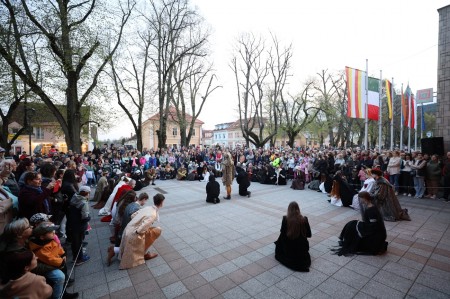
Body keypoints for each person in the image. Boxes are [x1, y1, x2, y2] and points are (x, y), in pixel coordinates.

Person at [28, 221, 79, 299]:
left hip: (58, 262)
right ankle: (57, 297)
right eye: (50, 232)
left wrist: (63, 254)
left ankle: (64, 293)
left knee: (64, 276)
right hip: (51, 266)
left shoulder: (49, 240)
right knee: (60, 277)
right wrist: (61, 262)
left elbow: (58, 248)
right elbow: (49, 259)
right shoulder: (40, 248)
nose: (53, 233)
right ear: (42, 237)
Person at [119, 193, 165, 270]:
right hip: (133, 233)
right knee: (157, 231)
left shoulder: (148, 207)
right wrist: (138, 233)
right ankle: (144, 253)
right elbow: (141, 229)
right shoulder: (153, 214)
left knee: (150, 232)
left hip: (128, 229)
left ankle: (144, 252)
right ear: (161, 202)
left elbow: (133, 215)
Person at [333, 191, 387, 256]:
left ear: (364, 198)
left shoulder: (371, 210)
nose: (359, 200)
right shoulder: (370, 206)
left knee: (352, 225)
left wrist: (360, 225)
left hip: (375, 234)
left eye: (360, 199)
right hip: (373, 228)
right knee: (352, 224)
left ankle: (348, 241)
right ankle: (347, 240)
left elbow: (374, 226)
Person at [107, 192, 149, 266]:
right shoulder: (137, 208)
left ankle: (114, 249)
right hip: (128, 231)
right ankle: (113, 250)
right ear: (144, 199)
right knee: (132, 246)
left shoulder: (130, 204)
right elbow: (136, 222)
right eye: (146, 201)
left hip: (123, 229)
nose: (145, 203)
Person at [274, 201, 311, 272]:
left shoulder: (285, 219)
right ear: (298, 209)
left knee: (279, 247)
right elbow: (309, 235)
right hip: (302, 248)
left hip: (289, 249)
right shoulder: (304, 219)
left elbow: (282, 233)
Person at [67, 186, 91, 265]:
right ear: (87, 193)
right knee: (79, 241)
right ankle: (79, 259)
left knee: (75, 242)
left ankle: (76, 257)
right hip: (80, 225)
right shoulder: (83, 202)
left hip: (72, 222)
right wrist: (89, 218)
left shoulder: (74, 197)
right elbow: (85, 216)